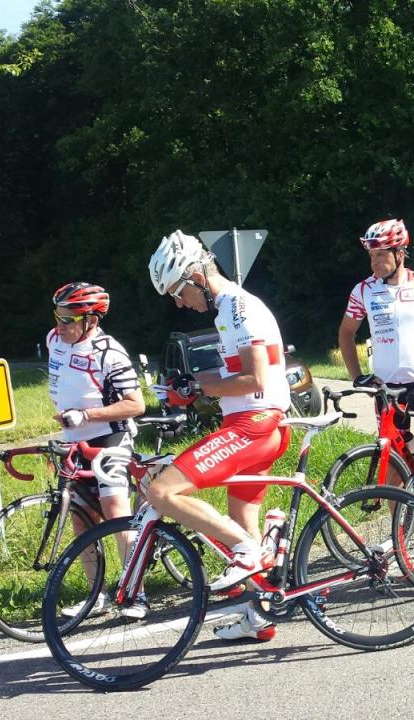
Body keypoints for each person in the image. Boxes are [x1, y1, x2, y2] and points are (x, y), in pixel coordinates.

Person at [145, 229, 293, 639]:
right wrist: (187, 382)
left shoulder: (236, 306)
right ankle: (258, 616)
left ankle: (248, 552)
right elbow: (233, 374)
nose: (178, 302)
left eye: (178, 291)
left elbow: (253, 378)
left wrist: (198, 388)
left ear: (195, 276)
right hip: (254, 424)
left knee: (161, 491)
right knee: (241, 518)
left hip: (254, 424)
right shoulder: (229, 308)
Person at [47, 282, 146, 618]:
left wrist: (87, 414)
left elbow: (136, 404)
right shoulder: (54, 341)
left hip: (109, 438)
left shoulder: (109, 353)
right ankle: (96, 597)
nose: (61, 325)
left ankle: (136, 593)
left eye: (69, 319)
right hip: (75, 441)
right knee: (81, 518)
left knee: (115, 508)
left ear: (92, 319)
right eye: (58, 317)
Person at [339, 219, 414, 480]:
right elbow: (346, 333)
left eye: (381, 255)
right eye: (371, 256)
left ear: (400, 254)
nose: (374, 263)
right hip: (386, 388)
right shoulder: (364, 290)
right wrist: (357, 376)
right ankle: (400, 521)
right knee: (392, 461)